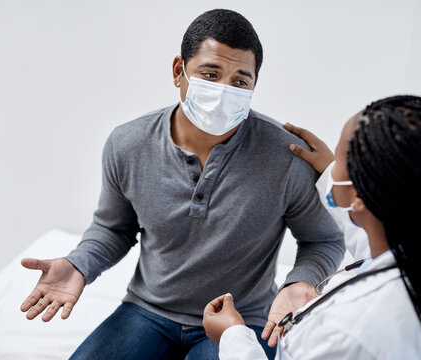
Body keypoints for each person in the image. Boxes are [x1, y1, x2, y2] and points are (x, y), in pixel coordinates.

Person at [19, 9, 345, 360]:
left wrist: (300, 281)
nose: (224, 91)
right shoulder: (127, 144)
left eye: (239, 81)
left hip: (241, 320)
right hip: (148, 311)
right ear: (179, 71)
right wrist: (80, 263)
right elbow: (114, 228)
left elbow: (323, 239)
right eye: (210, 74)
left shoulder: (287, 156)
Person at [203, 95, 421, 359]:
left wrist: (232, 336)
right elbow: (372, 242)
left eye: (340, 159)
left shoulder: (347, 332)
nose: (333, 168)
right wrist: (331, 167)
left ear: (359, 195)